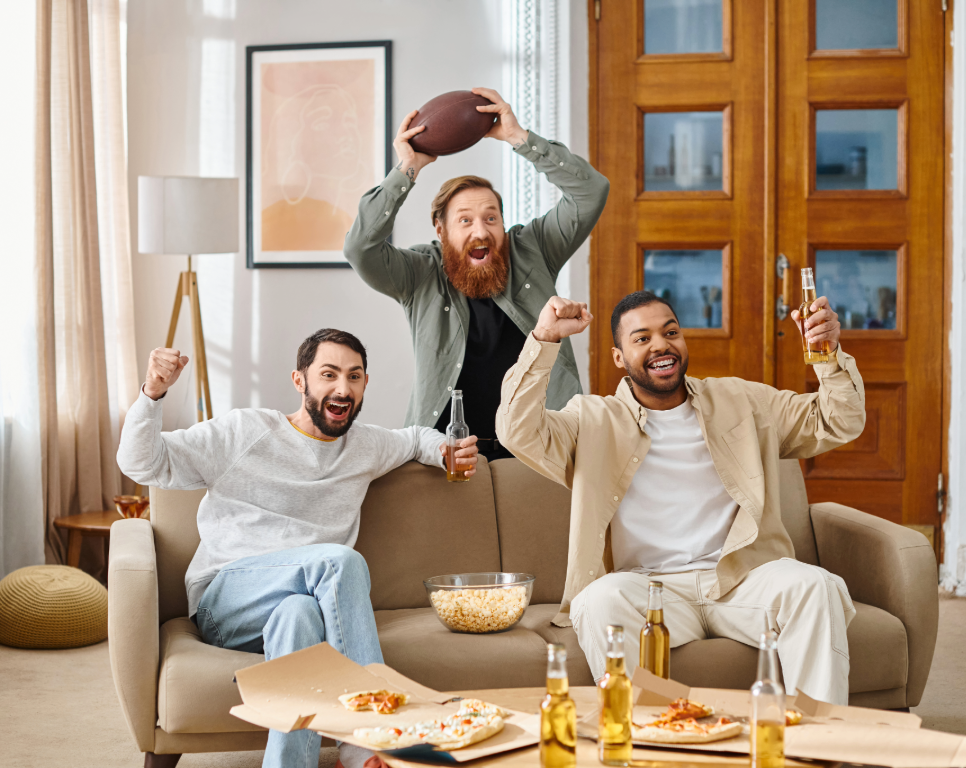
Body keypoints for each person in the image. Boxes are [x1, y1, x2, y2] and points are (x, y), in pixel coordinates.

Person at [117, 328, 479, 768]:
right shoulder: (244, 431)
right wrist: (153, 392)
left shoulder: (365, 446)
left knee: (301, 616)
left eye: (354, 376)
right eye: (328, 374)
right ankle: (368, 738)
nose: (342, 388)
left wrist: (445, 451)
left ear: (365, 385)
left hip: (294, 603)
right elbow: (142, 462)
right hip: (226, 600)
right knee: (337, 561)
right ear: (299, 380)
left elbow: (416, 437)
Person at [496, 291, 866, 705]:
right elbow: (517, 431)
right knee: (598, 600)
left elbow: (837, 420)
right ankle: (656, 735)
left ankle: (816, 746)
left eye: (670, 332)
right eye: (642, 338)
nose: (661, 344)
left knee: (814, 585)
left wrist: (829, 355)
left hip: (741, 581)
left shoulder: (742, 401)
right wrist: (544, 338)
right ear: (619, 358)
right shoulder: (592, 420)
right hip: (649, 590)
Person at [344, 87, 609, 461]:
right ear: (440, 230)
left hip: (539, 447)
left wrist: (519, 138)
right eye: (465, 221)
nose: (480, 232)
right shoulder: (419, 273)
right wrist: (409, 168)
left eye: (490, 218)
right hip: (447, 455)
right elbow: (359, 248)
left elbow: (591, 192)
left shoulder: (533, 249)